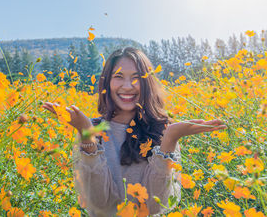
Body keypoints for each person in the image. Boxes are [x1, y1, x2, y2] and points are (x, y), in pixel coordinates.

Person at [43, 47, 226, 216]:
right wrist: (86, 133)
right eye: (119, 76)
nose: (128, 86)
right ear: (106, 82)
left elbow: (154, 206)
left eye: (136, 77)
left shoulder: (162, 131)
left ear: (147, 83)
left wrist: (170, 138)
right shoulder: (91, 129)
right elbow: (100, 203)